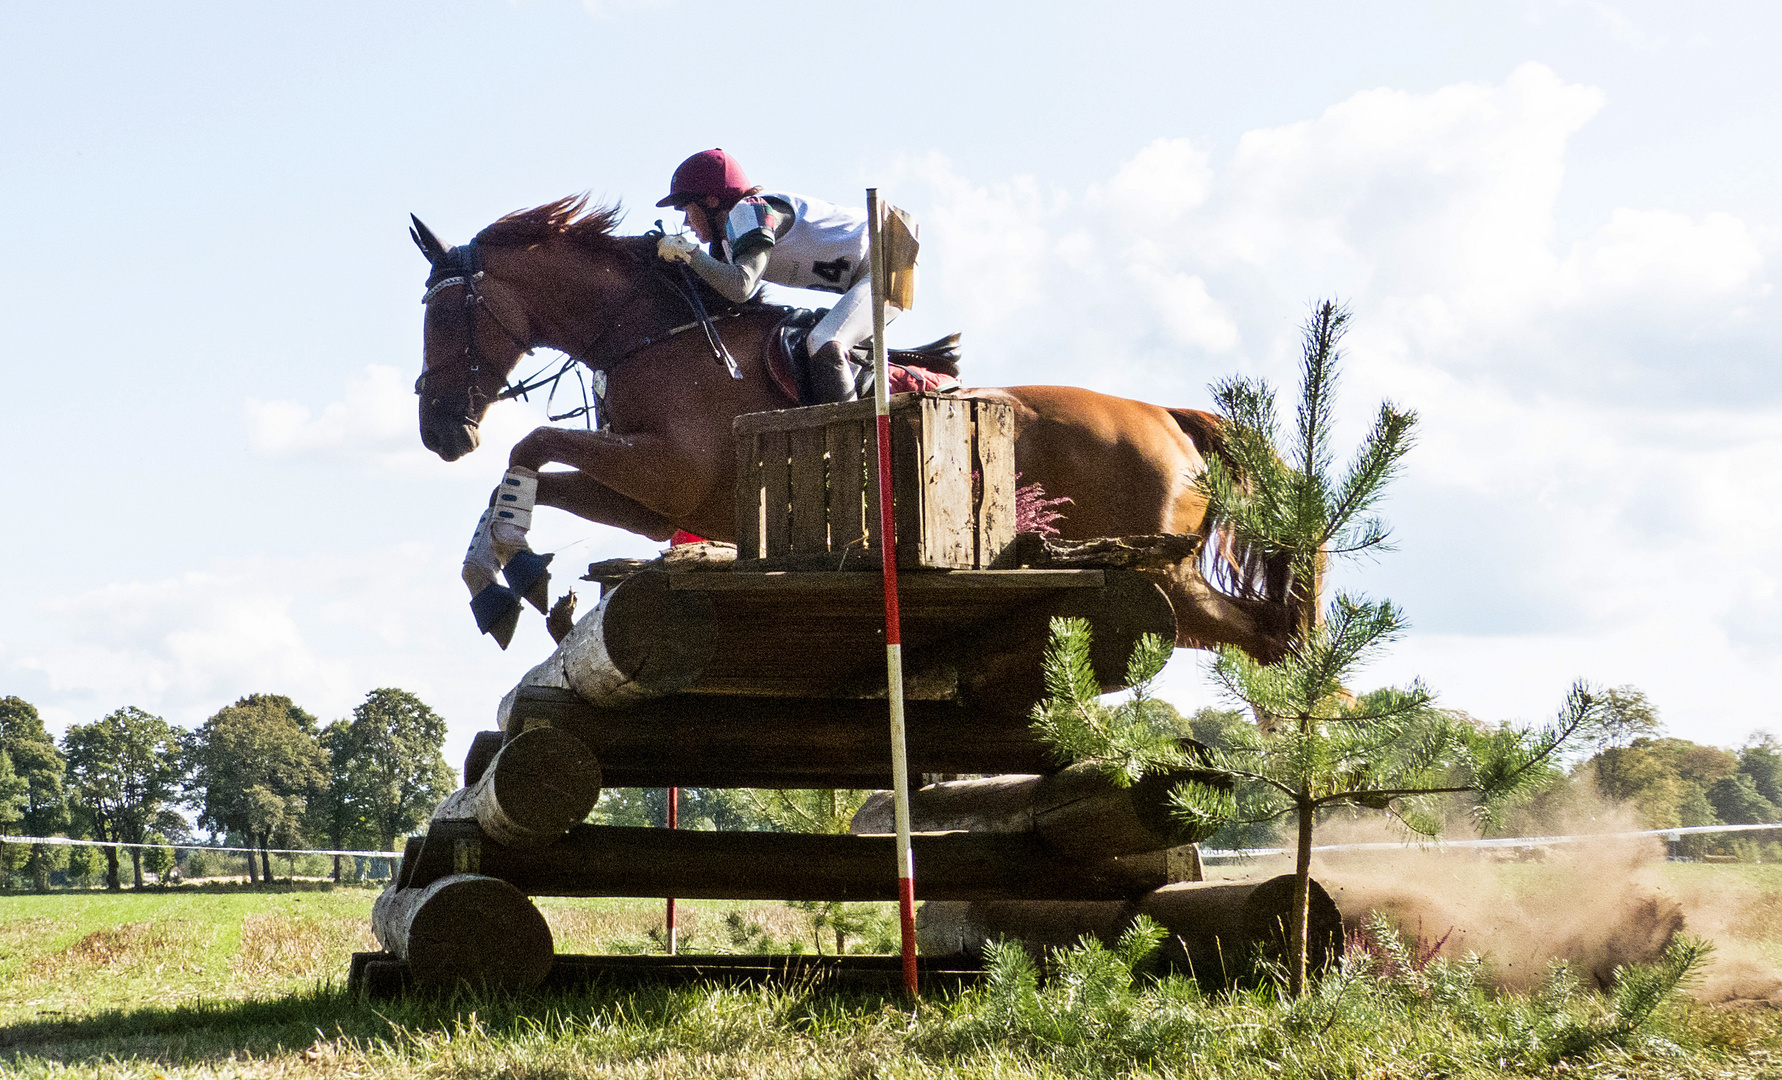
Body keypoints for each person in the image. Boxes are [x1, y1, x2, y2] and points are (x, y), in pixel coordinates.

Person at [654, 148, 899, 403]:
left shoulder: (749, 211)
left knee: (825, 342)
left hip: (888, 256)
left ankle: (848, 438)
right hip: (867, 271)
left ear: (711, 202)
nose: (685, 223)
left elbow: (741, 287)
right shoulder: (728, 243)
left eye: (687, 210)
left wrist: (689, 253)